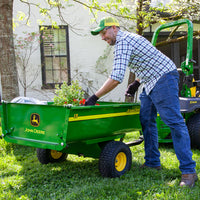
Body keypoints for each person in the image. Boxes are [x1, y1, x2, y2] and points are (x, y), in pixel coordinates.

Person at [85, 16, 198, 187]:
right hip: (149, 80)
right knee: (146, 119)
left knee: (174, 122)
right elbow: (147, 60)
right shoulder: (129, 39)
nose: (102, 37)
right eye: (100, 34)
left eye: (104, 32)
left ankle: (189, 171)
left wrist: (95, 97)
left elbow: (116, 77)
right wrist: (136, 82)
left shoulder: (123, 42)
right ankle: (153, 162)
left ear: (114, 28)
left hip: (163, 77)